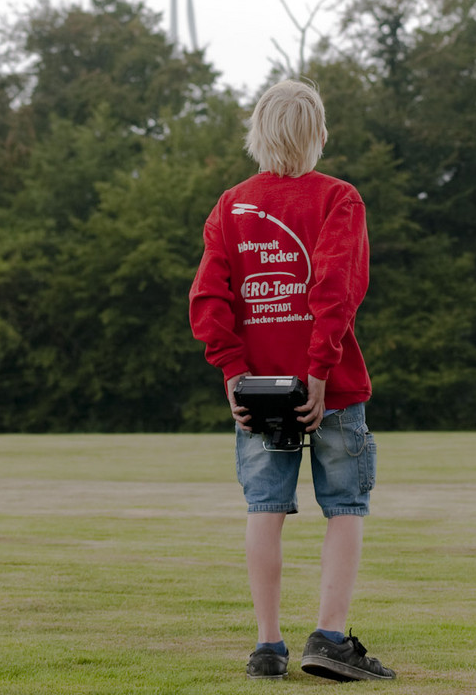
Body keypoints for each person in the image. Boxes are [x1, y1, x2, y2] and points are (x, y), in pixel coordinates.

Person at [189, 79, 396, 682]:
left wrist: (232, 370)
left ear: (256, 133)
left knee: (265, 506)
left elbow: (209, 295)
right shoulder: (340, 199)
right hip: (332, 388)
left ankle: (268, 646)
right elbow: (335, 289)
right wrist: (319, 369)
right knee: (346, 507)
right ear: (321, 135)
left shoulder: (231, 204)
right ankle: (330, 639)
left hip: (259, 392)